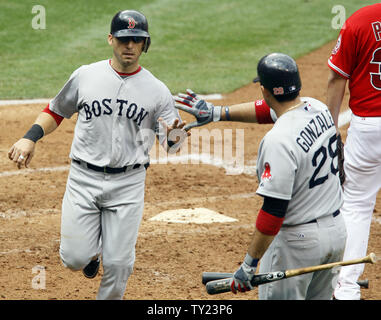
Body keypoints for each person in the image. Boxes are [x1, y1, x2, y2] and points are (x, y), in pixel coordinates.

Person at [8, 10, 189, 300]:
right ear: (110, 39)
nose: (129, 46)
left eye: (136, 40)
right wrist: (30, 138)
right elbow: (56, 110)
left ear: (145, 44)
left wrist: (176, 136)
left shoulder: (157, 91)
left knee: (119, 264)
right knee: (73, 259)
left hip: (128, 184)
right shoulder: (86, 75)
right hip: (83, 178)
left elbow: (172, 144)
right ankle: (92, 254)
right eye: (123, 39)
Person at [175, 53, 346, 299]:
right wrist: (217, 113)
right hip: (336, 233)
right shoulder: (318, 108)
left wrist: (249, 264)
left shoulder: (278, 141)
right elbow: (271, 111)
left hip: (298, 244)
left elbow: (274, 210)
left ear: (264, 90)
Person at [326, 3, 381, 300]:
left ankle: (345, 289)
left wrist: (331, 132)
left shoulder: (359, 21)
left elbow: (337, 78)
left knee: (357, 204)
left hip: (369, 127)